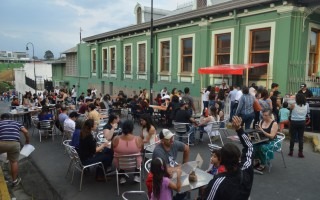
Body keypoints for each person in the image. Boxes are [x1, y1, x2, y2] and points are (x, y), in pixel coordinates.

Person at [204, 116, 253, 200]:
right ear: (238, 157)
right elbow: (249, 147)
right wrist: (239, 129)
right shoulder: (246, 169)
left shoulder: (217, 182)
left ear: (221, 160)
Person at [0, 113, 30, 186]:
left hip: (1, 143)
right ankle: (15, 181)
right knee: (13, 162)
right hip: (14, 144)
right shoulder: (16, 123)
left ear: (1, 118)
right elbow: (26, 131)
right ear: (11, 118)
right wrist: (27, 141)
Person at [112, 120, 143, 184]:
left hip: (120, 165)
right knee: (138, 156)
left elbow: (112, 150)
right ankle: (137, 175)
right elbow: (141, 150)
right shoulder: (138, 139)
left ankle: (122, 177)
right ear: (132, 128)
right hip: (135, 164)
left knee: (118, 156)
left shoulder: (116, 139)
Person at [288, 93, 309, 158]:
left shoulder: (293, 105)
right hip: (302, 122)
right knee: (300, 138)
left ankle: (291, 151)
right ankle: (300, 152)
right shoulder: (306, 105)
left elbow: (290, 109)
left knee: (292, 137)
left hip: (294, 122)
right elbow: (307, 113)